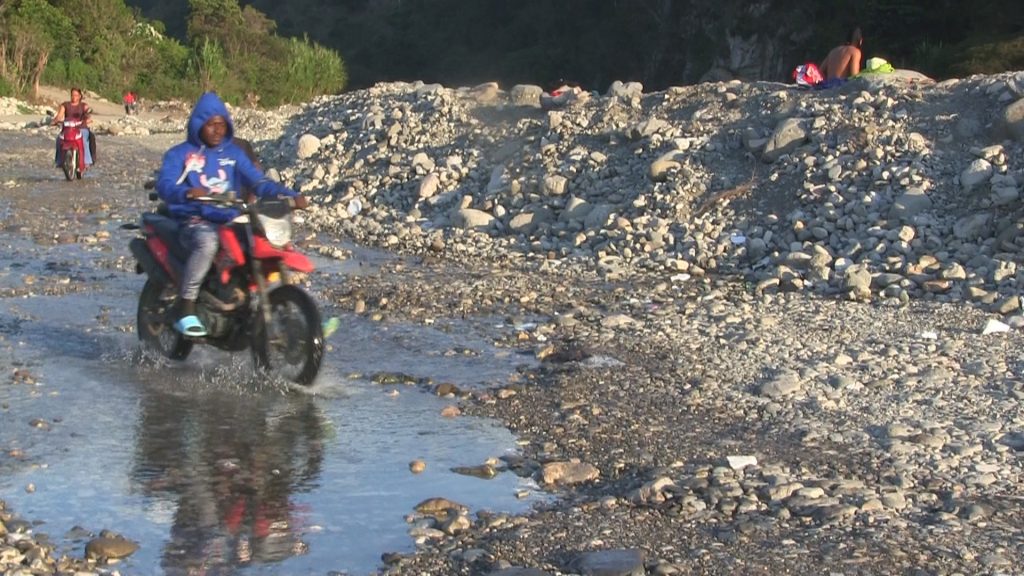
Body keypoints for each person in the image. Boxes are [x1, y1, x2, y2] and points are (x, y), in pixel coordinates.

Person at [155, 91, 308, 337]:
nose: (217, 130)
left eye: (222, 124)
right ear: (198, 124)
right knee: (208, 242)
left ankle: (289, 315)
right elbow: (164, 185)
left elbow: (259, 182)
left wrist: (290, 196)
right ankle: (186, 307)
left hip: (230, 218)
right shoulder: (178, 154)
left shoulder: (233, 154)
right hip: (194, 219)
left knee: (266, 242)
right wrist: (186, 193)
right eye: (211, 124)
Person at [52, 87, 96, 168]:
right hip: (68, 129)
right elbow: (59, 116)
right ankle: (59, 161)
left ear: (79, 96)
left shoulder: (83, 105)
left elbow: (88, 115)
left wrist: (87, 120)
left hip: (81, 128)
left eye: (76, 95)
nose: (73, 97)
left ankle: (86, 161)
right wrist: (54, 121)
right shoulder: (65, 105)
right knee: (59, 140)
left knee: (83, 140)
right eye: (72, 95)